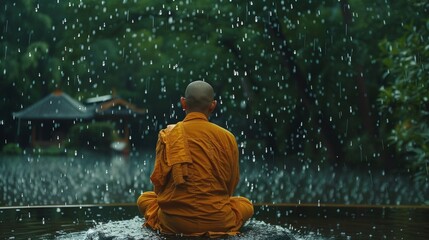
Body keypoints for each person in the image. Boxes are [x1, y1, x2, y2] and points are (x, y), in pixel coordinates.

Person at [137, 80, 253, 237]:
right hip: (219, 220)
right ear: (212, 105)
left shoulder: (168, 135)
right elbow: (231, 184)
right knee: (245, 204)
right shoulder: (227, 137)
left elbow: (159, 184)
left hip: (175, 223)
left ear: (183, 103)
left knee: (145, 199)